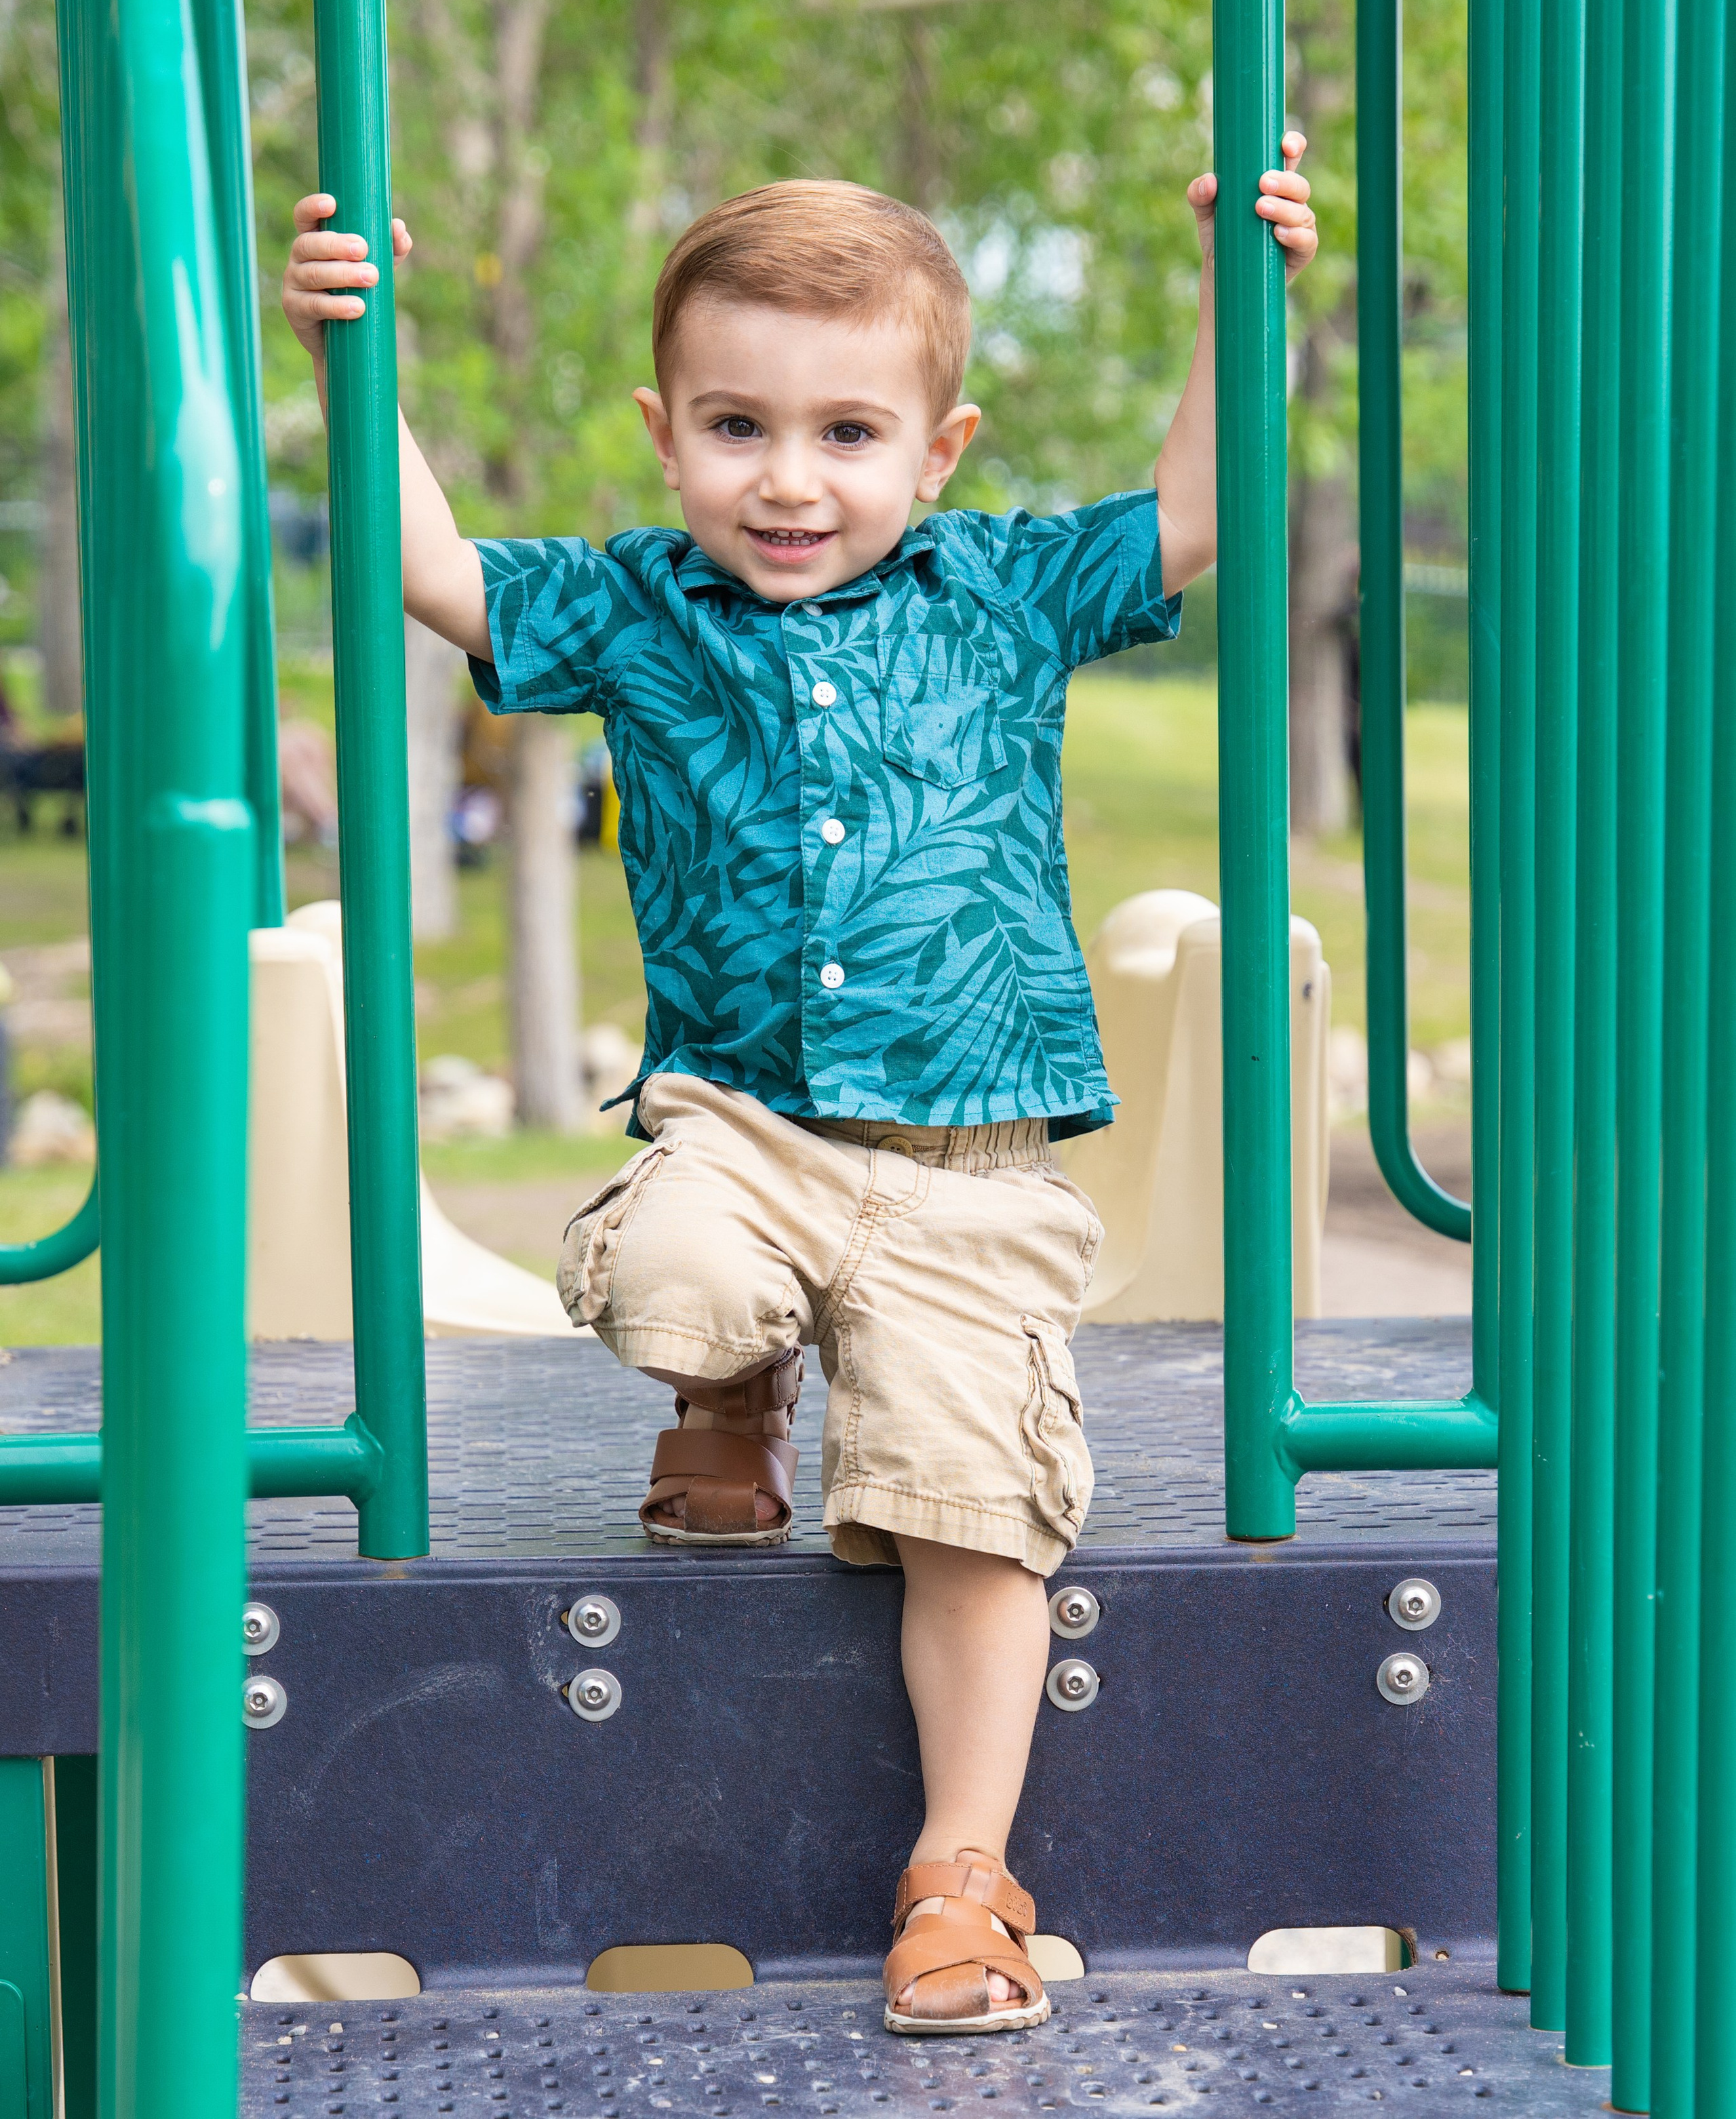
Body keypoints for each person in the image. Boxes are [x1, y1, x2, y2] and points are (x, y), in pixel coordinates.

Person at [281, 145, 1316, 2036]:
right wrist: (361, 356)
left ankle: (962, 1876)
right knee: (671, 1266)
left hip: (968, 1168)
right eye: (738, 426)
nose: (788, 478)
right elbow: (429, 571)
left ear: (940, 448)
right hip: (742, 1130)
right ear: (664, 433)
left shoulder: (1003, 587)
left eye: (849, 433)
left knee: (973, 1511)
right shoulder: (640, 607)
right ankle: (734, 1386)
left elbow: (1199, 508)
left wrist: (1237, 297)